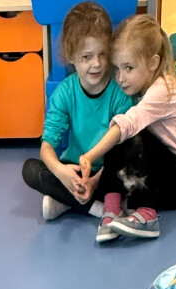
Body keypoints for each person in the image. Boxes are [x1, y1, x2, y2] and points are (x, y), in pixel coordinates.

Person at [78, 13, 176, 243]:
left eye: (128, 68)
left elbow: (127, 128)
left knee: (128, 130)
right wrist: (98, 179)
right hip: (162, 178)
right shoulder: (145, 87)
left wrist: (90, 156)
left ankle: (146, 214)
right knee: (120, 130)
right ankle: (112, 210)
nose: (120, 78)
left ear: (153, 62)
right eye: (117, 69)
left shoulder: (163, 89)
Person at [21, 2, 132, 223]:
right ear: (71, 56)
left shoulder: (119, 91)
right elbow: (47, 147)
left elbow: (126, 145)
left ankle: (66, 202)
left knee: (132, 168)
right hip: (75, 172)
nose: (97, 64)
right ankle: (96, 208)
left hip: (109, 175)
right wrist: (62, 174)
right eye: (86, 57)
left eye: (102, 54)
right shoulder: (65, 92)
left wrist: (95, 180)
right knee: (30, 170)